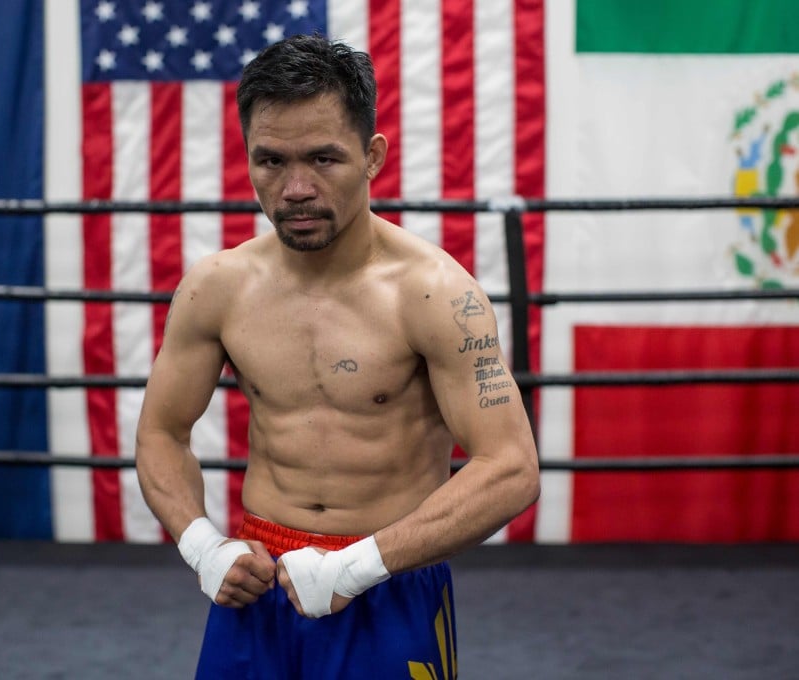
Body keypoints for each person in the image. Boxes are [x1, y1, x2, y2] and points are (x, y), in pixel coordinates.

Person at [135, 33, 540, 680]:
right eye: (272, 161)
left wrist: (357, 566)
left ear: (372, 156)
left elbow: (511, 467)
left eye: (324, 159)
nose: (296, 188)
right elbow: (161, 432)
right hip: (259, 582)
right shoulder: (218, 287)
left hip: (387, 578)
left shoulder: (433, 293)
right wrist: (203, 545)